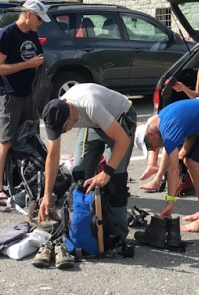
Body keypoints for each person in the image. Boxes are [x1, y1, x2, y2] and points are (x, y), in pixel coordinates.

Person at [39, 83, 136, 241]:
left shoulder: (90, 105)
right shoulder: (56, 112)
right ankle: (84, 224)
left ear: (70, 118)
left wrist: (106, 173)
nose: (61, 133)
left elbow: (123, 141)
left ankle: (118, 233)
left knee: (115, 179)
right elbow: (53, 155)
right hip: (92, 123)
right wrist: (47, 195)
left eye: (62, 129)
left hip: (118, 117)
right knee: (79, 173)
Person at [139, 40, 199, 191]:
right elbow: (197, 97)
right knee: (163, 131)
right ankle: (158, 174)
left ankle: (175, 175)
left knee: (180, 149)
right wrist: (183, 88)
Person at [136, 98, 199, 232]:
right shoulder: (159, 123)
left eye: (150, 145)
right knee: (188, 162)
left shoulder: (167, 129)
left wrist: (170, 202)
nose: (154, 148)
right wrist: (159, 177)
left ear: (150, 133)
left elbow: (174, 170)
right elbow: (188, 133)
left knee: (195, 165)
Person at [0, 0, 49, 207]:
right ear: (28, 15)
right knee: (7, 140)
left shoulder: (31, 34)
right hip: (8, 94)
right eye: (39, 19)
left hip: (28, 94)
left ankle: (29, 181)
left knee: (30, 138)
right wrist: (28, 64)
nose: (40, 23)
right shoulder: (6, 34)